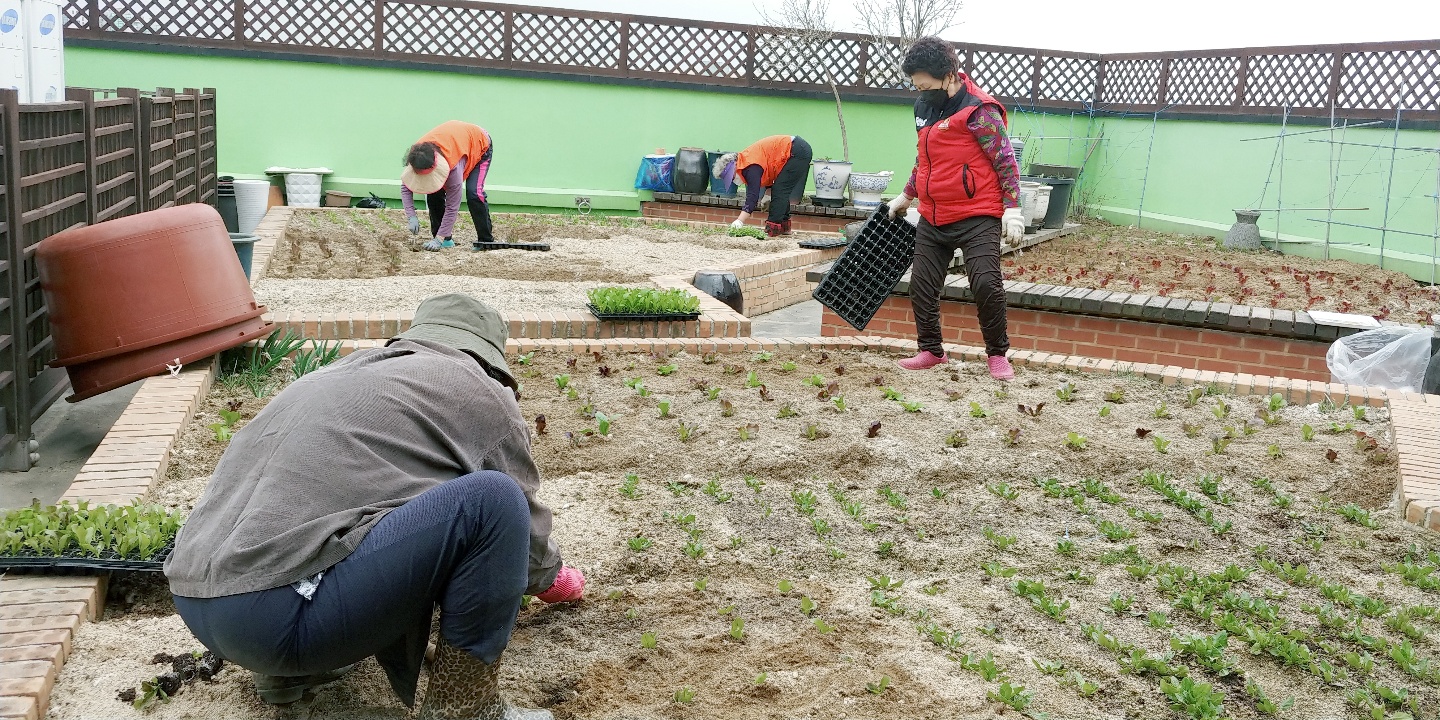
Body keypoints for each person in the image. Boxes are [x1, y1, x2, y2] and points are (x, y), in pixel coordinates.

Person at [165, 294, 581, 720]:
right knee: (492, 500)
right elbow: (521, 535)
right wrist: (555, 580)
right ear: (489, 360)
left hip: (197, 602)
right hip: (282, 618)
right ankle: (467, 709)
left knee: (359, 507)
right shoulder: (481, 390)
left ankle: (288, 674)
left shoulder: (339, 374)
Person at [886, 38, 1025, 381]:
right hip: (934, 215)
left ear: (949, 75)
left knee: (986, 283)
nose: (921, 92)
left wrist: (1012, 210)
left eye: (925, 86)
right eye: (916, 86)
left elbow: (1005, 160)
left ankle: (997, 355)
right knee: (921, 285)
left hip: (978, 214)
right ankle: (931, 351)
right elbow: (925, 158)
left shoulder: (980, 110)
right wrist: (907, 195)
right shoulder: (923, 108)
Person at [401, 121, 496, 251]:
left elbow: (452, 206)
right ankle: (446, 240)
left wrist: (438, 239)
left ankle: (486, 241)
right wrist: (411, 216)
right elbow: (406, 187)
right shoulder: (416, 156)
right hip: (455, 138)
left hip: (479, 144)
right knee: (433, 192)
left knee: (474, 193)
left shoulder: (454, 167)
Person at [718, 134, 814, 237]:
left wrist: (739, 221)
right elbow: (770, 172)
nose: (733, 180)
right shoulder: (746, 161)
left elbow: (752, 197)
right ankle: (784, 228)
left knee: (780, 190)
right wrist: (767, 195)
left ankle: (772, 229)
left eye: (731, 177)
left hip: (797, 151)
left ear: (733, 166)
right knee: (780, 189)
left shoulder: (750, 166)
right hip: (796, 149)